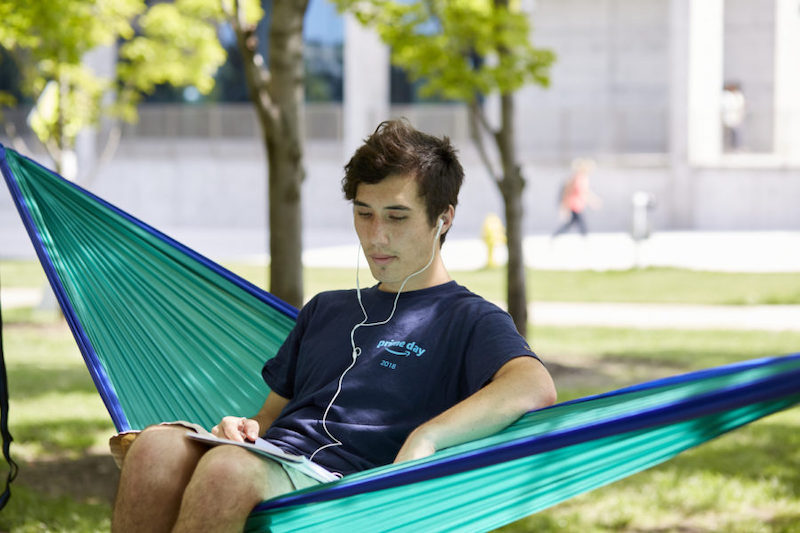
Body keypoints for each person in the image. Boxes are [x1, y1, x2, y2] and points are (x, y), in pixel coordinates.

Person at [111, 119, 557, 533]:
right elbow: (269, 417)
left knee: (226, 469)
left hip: (347, 491)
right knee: (156, 447)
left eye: (396, 217)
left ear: (444, 218)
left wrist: (427, 437)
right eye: (364, 213)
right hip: (274, 458)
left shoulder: (468, 319)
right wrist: (243, 428)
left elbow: (534, 384)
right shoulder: (325, 309)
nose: (375, 236)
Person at [552, 158, 601, 237]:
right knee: (580, 224)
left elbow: (586, 192)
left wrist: (594, 201)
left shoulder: (583, 178)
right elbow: (568, 192)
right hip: (573, 205)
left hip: (578, 205)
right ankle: (585, 239)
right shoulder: (576, 178)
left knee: (571, 224)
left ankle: (556, 235)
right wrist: (564, 206)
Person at [721, 82, 746, 151]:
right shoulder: (727, 95)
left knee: (735, 133)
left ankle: (735, 147)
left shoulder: (737, 95)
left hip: (735, 118)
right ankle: (728, 147)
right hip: (729, 118)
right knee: (729, 133)